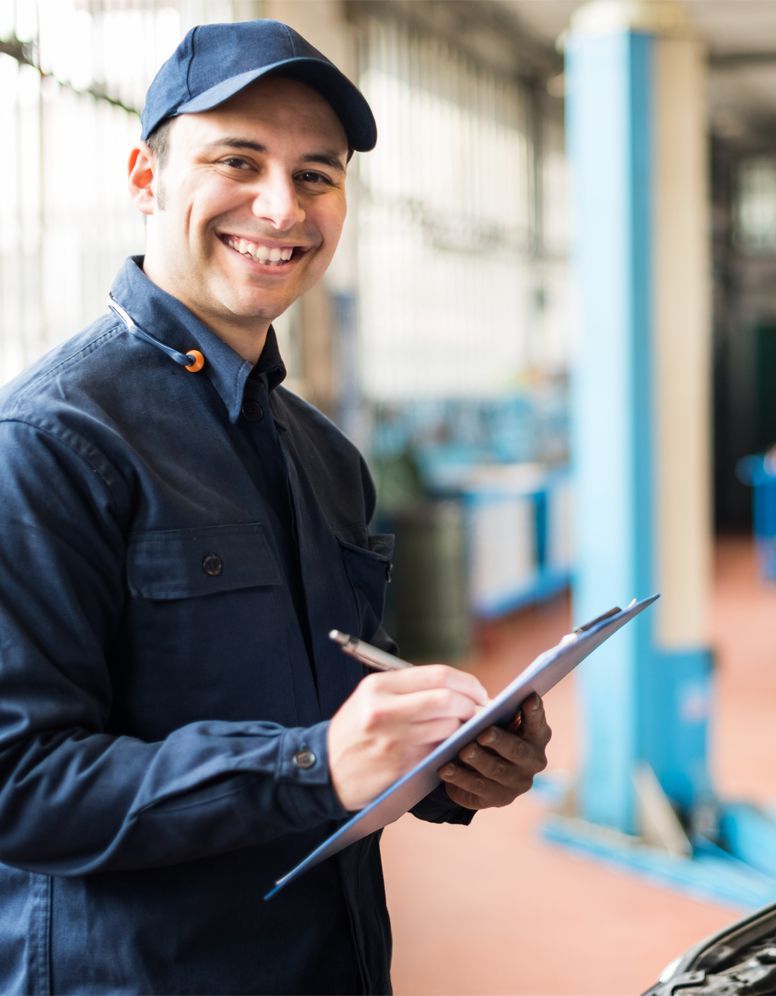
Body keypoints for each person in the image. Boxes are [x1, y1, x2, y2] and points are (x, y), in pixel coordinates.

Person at [0, 19, 552, 995]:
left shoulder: (324, 457)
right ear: (144, 179)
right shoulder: (50, 442)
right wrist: (309, 764)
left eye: (315, 175)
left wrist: (449, 767)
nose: (278, 206)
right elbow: (21, 786)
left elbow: (332, 721)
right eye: (236, 160)